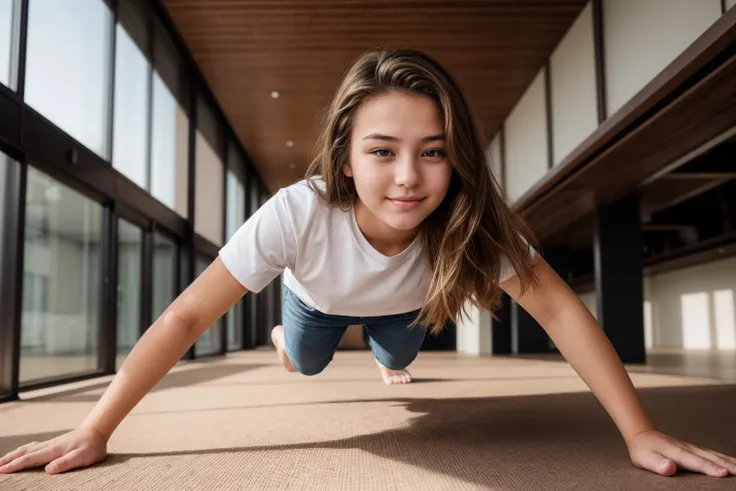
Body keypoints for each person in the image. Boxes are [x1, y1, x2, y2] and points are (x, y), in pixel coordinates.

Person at [1, 49, 734, 479]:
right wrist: (97, 425)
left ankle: (386, 359)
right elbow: (188, 312)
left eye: (434, 151)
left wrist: (638, 430)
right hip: (315, 303)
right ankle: (288, 342)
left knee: (398, 350)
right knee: (311, 361)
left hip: (405, 308)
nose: (408, 177)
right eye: (383, 151)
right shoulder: (299, 211)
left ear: (458, 157)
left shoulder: (473, 218)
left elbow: (560, 309)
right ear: (346, 159)